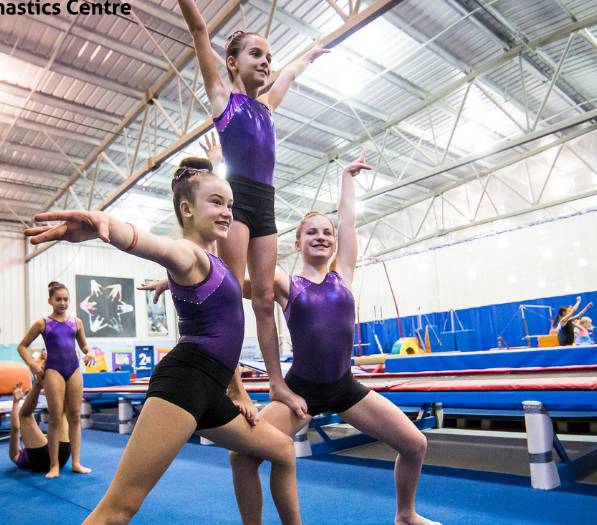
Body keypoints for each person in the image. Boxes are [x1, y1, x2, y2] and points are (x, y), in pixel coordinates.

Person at [141, 150, 440, 525]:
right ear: (297, 244)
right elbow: (227, 283)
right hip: (301, 391)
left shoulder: (342, 274)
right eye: (311, 233)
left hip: (346, 387)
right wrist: (172, 280)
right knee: (241, 455)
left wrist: (347, 178)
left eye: (326, 233)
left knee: (415, 444)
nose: (322, 237)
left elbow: (348, 221)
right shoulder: (285, 284)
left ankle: (406, 513)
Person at [24, 157, 302, 525]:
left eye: (230, 205)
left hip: (211, 390)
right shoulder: (187, 253)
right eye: (216, 203)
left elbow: (211, 293)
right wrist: (108, 226)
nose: (227, 213)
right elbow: (157, 248)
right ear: (186, 209)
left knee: (282, 450)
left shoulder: (212, 261)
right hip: (185, 384)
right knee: (119, 508)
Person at [146, 0, 328, 419]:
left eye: (268, 57)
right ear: (232, 63)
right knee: (228, 294)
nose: (266, 63)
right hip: (238, 198)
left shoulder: (267, 106)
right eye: (256, 55)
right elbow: (201, 31)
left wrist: (308, 53)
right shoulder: (225, 103)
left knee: (265, 297)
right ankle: (233, 387)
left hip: (265, 200)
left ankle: (275, 384)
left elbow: (289, 72)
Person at [18, 281, 95, 478]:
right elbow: (22, 346)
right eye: (58, 299)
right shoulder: (42, 323)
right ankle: (54, 465)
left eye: (66, 299)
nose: (62, 303)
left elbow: (84, 345)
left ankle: (76, 463)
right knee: (55, 416)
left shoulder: (76, 322)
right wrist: (32, 363)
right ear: (50, 300)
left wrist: (90, 351)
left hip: (73, 369)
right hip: (53, 370)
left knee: (75, 416)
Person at [9, 379, 72, 473]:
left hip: (62, 459)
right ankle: (42, 382)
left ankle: (53, 380)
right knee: (25, 415)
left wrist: (16, 402)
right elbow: (15, 429)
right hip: (48, 459)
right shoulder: (19, 456)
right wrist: (16, 402)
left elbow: (15, 429)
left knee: (62, 412)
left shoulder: (17, 458)